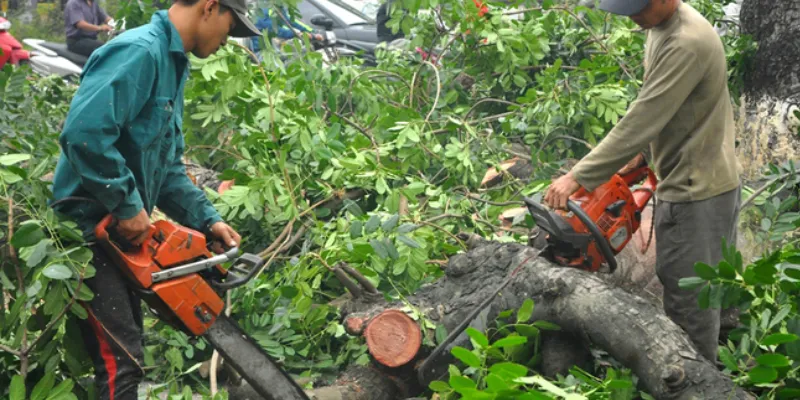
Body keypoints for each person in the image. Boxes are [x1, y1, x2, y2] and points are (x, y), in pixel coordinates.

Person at [50, 0, 259, 398]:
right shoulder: (140, 52)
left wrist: (206, 220)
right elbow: (84, 134)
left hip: (116, 240)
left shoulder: (173, 64)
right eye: (230, 28)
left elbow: (166, 168)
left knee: (127, 357)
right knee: (121, 364)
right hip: (85, 235)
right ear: (210, 7)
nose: (227, 40)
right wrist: (128, 206)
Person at [543, 0, 741, 363]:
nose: (631, 17)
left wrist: (579, 176)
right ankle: (728, 364)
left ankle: (697, 380)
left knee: (687, 306)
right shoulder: (659, 26)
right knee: (710, 292)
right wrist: (643, 158)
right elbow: (672, 107)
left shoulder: (686, 41)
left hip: (695, 191)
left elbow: (644, 116)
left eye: (637, 8)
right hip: (699, 174)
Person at [248, 6, 322, 56]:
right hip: (261, 53)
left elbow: (290, 21)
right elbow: (274, 29)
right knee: (295, 60)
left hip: (273, 49)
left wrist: (313, 32)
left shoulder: (277, 6)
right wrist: (298, 34)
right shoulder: (262, 8)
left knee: (301, 52)